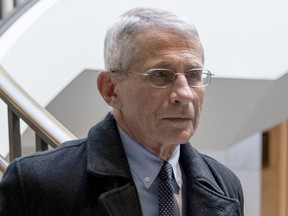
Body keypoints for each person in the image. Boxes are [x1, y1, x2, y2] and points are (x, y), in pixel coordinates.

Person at [0, 7, 244, 216]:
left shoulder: (224, 183)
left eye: (193, 76)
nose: (185, 94)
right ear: (111, 90)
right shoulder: (36, 183)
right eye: (160, 75)